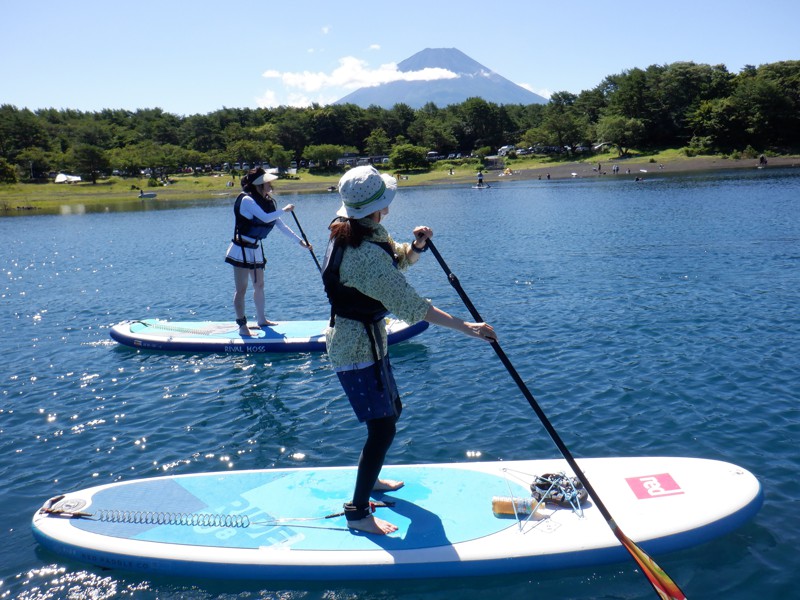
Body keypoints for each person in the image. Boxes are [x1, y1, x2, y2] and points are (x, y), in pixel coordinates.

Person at [322, 165, 497, 535]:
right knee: (382, 429)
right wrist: (468, 328)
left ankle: (371, 482)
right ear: (376, 206)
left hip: (371, 338)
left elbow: (395, 259)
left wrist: (416, 247)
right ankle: (358, 511)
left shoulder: (364, 228)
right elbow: (413, 307)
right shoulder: (361, 251)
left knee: (392, 412)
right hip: (355, 347)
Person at [225, 166, 311, 336]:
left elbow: (280, 224)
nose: (271, 185)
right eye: (268, 182)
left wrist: (300, 242)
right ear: (259, 184)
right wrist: (284, 210)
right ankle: (242, 326)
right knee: (241, 289)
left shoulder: (267, 201)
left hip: (255, 249)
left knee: (259, 285)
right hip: (241, 248)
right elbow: (265, 218)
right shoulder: (247, 200)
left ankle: (261, 319)